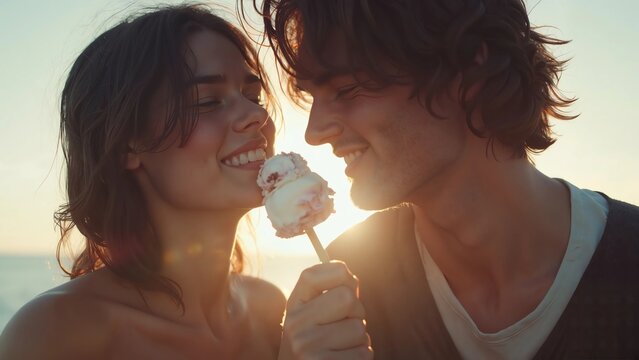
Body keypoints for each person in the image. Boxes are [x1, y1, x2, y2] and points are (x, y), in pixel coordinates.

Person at [254, 0, 639, 358]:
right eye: (312, 97)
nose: (314, 132)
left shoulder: (627, 261)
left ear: (469, 70)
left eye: (346, 89)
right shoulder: (345, 283)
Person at [0, 4, 371, 359]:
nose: (256, 114)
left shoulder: (270, 308)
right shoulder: (53, 334)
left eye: (252, 94)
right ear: (127, 144)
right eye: (208, 101)